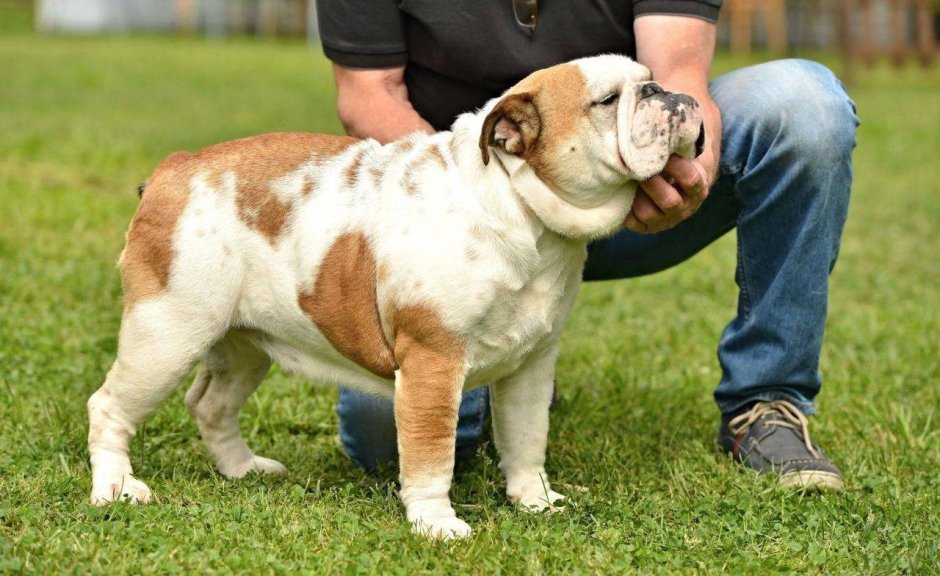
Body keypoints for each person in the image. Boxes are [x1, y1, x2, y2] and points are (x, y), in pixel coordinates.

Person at [315, 0, 857, 491]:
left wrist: (690, 166)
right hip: (464, 224)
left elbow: (675, 77)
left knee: (804, 107)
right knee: (383, 441)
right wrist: (469, 212)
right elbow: (369, 93)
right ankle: (507, 352)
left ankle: (766, 401)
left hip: (627, 197)